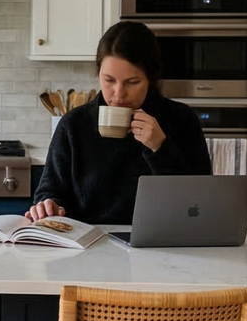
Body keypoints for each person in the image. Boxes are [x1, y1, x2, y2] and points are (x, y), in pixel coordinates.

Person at [28, 20, 211, 224]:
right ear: (97, 74)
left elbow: (200, 202)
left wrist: (161, 147)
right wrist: (48, 204)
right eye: (109, 80)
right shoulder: (74, 124)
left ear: (151, 78)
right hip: (88, 247)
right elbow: (49, 191)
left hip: (163, 245)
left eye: (132, 82)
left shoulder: (181, 119)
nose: (118, 93)